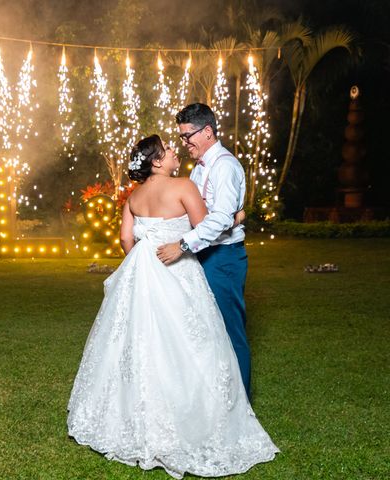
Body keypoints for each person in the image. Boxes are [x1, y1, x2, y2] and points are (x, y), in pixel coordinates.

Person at [67, 134, 278, 479]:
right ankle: (198, 416)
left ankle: (138, 418)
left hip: (142, 272)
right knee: (193, 343)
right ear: (156, 162)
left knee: (140, 344)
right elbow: (205, 226)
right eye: (167, 151)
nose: (174, 153)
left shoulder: (133, 197)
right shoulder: (183, 187)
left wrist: (142, 262)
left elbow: (125, 239)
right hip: (179, 272)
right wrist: (237, 217)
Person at [157, 103, 252, 398]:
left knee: (229, 330)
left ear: (207, 131)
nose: (184, 144)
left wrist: (182, 245)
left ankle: (240, 403)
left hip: (223, 258)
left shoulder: (225, 166)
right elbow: (197, 213)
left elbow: (221, 218)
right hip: (203, 256)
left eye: (188, 136)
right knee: (205, 329)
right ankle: (214, 398)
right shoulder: (198, 170)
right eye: (182, 137)